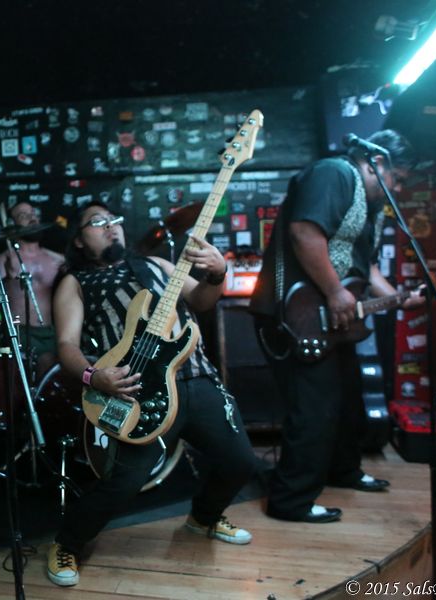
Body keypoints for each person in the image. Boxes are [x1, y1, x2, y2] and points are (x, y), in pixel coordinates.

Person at [45, 201, 258, 587]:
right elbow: (66, 346)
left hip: (197, 377)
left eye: (115, 220)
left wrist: (217, 273)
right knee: (123, 484)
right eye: (98, 222)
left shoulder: (158, 265)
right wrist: (94, 377)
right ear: (78, 240)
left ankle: (204, 518)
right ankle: (67, 542)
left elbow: (203, 300)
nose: (111, 226)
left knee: (241, 461)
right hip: (139, 391)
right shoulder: (75, 282)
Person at [249, 129, 425, 524]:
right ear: (376, 162)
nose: (397, 189)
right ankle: (290, 501)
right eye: (396, 178)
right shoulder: (334, 174)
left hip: (331, 318)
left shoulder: (370, 207)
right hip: (295, 314)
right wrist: (334, 291)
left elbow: (367, 268)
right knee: (314, 408)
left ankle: (343, 470)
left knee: (348, 400)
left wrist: (399, 298)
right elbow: (304, 232)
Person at [0, 201, 64, 376]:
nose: (32, 218)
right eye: (24, 215)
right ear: (12, 224)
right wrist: (7, 278)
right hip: (19, 333)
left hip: (51, 331)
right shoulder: (5, 259)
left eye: (33, 213)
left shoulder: (57, 260)